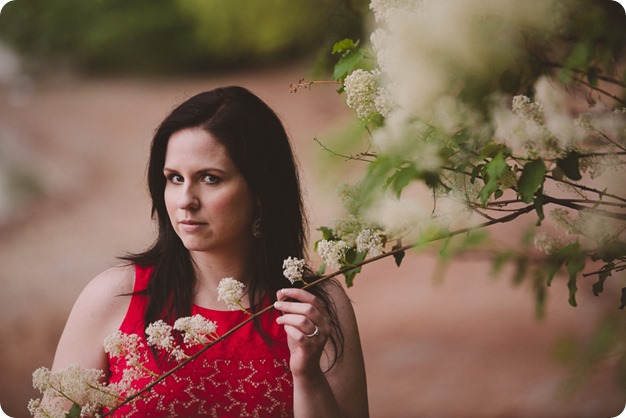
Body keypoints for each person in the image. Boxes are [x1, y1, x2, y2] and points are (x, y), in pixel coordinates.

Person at [49, 86, 369, 417]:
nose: (185, 199)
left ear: (261, 189)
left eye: (209, 179)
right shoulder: (114, 298)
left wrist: (308, 375)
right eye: (174, 178)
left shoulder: (312, 310)